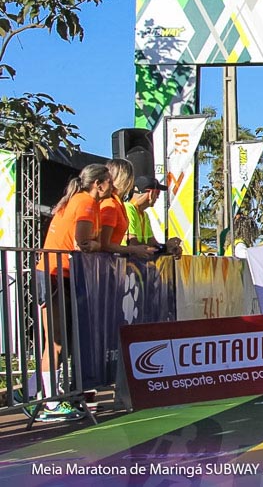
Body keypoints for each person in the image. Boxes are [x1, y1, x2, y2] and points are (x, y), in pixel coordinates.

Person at [32, 164, 114, 422]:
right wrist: (99, 244)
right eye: (109, 182)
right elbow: (83, 242)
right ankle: (49, 403)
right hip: (55, 273)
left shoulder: (81, 200)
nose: (112, 187)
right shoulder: (86, 202)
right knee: (55, 341)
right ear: (98, 183)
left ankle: (54, 396)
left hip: (61, 274)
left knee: (62, 341)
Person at [98, 159, 158, 259]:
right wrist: (134, 249)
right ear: (126, 179)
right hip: (104, 262)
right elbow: (104, 244)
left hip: (109, 262)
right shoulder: (111, 204)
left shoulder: (118, 204)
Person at [125, 175, 183, 256]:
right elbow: (133, 243)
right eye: (157, 192)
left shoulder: (144, 215)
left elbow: (152, 244)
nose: (158, 197)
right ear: (151, 193)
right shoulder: (128, 208)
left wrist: (168, 248)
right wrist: (164, 248)